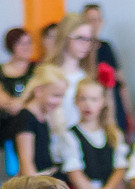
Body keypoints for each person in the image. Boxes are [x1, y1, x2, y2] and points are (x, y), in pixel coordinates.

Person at [0, 28, 34, 180]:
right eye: (21, 43)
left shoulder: (37, 69)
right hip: (2, 137)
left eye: (28, 43)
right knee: (8, 183)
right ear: (11, 46)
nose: (26, 47)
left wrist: (19, 104)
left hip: (30, 134)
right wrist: (23, 103)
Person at [82, 4, 134, 136]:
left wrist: (128, 111)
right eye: (90, 20)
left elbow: (121, 80)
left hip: (113, 97)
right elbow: (89, 74)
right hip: (93, 99)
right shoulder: (82, 49)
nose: (94, 24)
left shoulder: (107, 47)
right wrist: (91, 42)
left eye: (97, 20)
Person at [45, 14, 95, 144]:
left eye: (89, 40)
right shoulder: (48, 75)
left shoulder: (88, 76)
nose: (86, 44)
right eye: (80, 38)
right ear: (65, 37)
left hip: (84, 146)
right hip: (55, 145)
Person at [13, 64, 67, 177]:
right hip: (36, 180)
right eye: (56, 96)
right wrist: (36, 187)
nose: (59, 102)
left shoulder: (44, 117)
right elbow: (26, 161)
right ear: (38, 91)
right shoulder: (26, 118)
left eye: (62, 96)